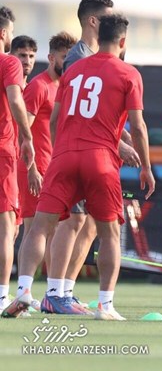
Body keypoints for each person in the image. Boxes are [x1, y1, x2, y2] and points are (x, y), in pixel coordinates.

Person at [2, 14, 155, 320]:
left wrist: (60, 152)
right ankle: (105, 305)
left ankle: (24, 292)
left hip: (64, 156)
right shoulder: (128, 74)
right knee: (109, 232)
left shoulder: (73, 71)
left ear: (98, 38)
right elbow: (137, 127)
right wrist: (146, 167)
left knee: (40, 227)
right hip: (100, 158)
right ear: (123, 41)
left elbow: (56, 120)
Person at [45, 0, 139, 308]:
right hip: (85, 154)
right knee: (72, 222)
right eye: (108, 17)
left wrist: (119, 133)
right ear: (94, 22)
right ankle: (55, 292)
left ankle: (65, 292)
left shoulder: (94, 59)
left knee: (87, 226)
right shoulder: (79, 59)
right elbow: (78, 116)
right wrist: (121, 143)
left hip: (85, 153)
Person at [16, 32, 77, 306]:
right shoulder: (39, 87)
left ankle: (54, 294)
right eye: (65, 57)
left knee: (55, 233)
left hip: (57, 170)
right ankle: (22, 293)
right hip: (36, 169)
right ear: (52, 57)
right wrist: (31, 169)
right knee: (32, 230)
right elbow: (23, 131)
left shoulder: (66, 88)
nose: (70, 62)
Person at [0, 6, 35, 313]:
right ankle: (0, 297)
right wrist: (26, 135)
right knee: (6, 226)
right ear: (3, 33)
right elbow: (14, 99)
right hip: (3, 151)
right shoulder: (8, 62)